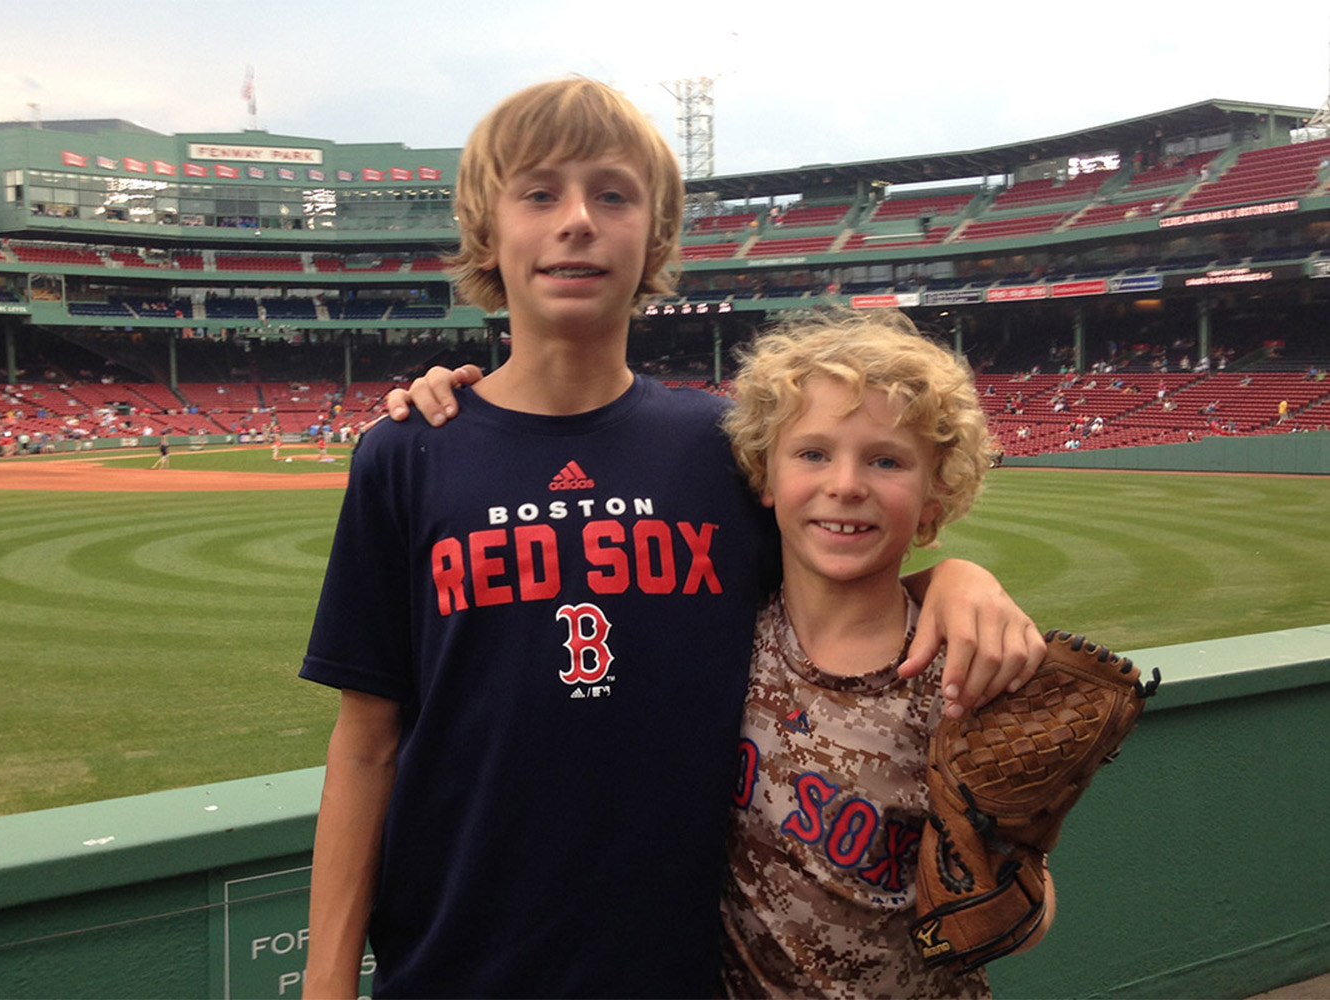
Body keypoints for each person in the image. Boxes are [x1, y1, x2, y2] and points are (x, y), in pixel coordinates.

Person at [303, 78, 1043, 999]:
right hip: (454, 965)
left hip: (684, 968)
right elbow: (366, 746)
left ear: (654, 237)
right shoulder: (407, 454)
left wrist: (956, 579)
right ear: (487, 230)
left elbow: (841, 586)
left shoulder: (720, 449)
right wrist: (326, 983)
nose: (577, 220)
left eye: (612, 194)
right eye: (539, 193)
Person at [715, 312, 1054, 998]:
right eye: (812, 452)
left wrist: (1006, 884)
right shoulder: (721, 634)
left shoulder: (965, 677)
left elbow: (1033, 909)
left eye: (886, 460)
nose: (846, 484)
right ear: (765, 476)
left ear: (934, 501)